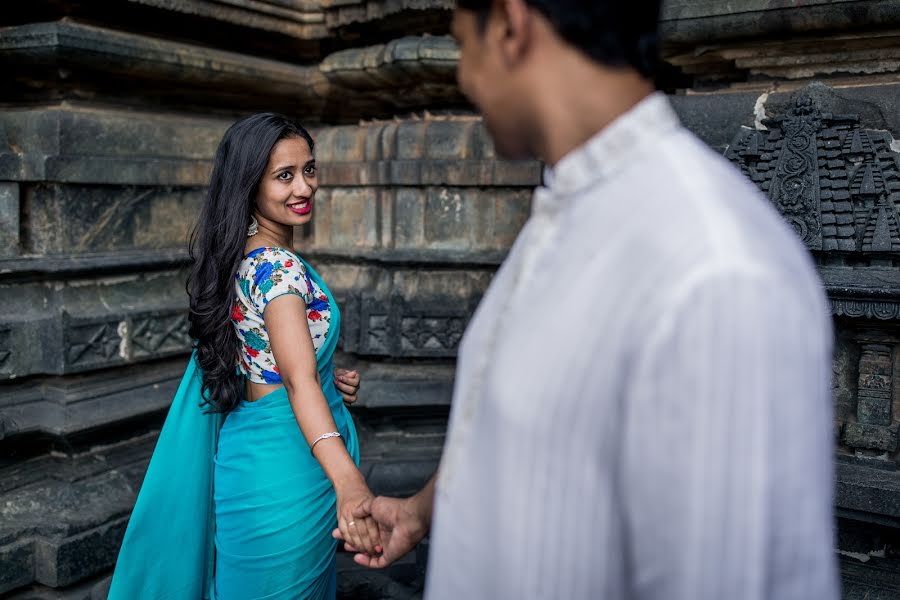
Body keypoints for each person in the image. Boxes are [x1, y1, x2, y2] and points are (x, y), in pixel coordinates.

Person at [335, 1, 840, 599]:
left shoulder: (713, 269)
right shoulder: (568, 209)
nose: (464, 78)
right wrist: (422, 511)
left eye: (462, 45)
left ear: (509, 25)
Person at [109, 113, 380, 600]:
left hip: (254, 459)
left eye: (310, 169)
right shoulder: (277, 269)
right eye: (284, 176)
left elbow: (268, 362)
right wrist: (350, 483)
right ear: (248, 185)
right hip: (284, 475)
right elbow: (296, 384)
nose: (305, 187)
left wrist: (323, 377)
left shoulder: (246, 257)